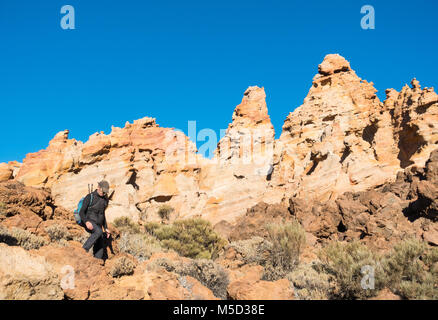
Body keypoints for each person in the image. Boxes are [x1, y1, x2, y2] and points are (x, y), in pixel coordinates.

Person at [79, 180, 111, 261]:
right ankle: (83, 250)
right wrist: (86, 221)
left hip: (99, 224)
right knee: (98, 231)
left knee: (100, 242)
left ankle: (97, 261)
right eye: (103, 191)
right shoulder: (90, 197)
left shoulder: (105, 200)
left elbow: (102, 214)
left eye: (105, 192)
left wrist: (106, 227)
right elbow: (81, 212)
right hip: (89, 221)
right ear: (98, 187)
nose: (104, 194)